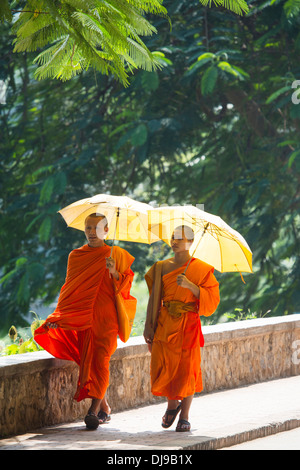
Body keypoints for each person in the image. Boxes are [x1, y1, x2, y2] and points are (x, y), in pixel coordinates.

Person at [34, 213, 136, 430]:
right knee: (89, 361)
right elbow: (69, 290)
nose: (91, 232)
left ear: (106, 230)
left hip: (106, 317)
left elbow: (126, 288)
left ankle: (92, 411)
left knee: (101, 360)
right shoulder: (76, 256)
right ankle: (104, 408)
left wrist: (114, 272)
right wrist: (59, 317)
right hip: (83, 317)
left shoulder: (115, 255)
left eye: (96, 228)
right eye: (88, 228)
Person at [143, 225, 220, 432]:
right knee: (165, 365)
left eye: (180, 238)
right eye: (173, 237)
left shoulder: (201, 268)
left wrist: (191, 286)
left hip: (189, 324)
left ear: (191, 242)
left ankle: (184, 416)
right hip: (165, 323)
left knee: (187, 369)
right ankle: (171, 405)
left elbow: (212, 301)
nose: (175, 241)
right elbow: (154, 299)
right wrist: (148, 325)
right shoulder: (161, 266)